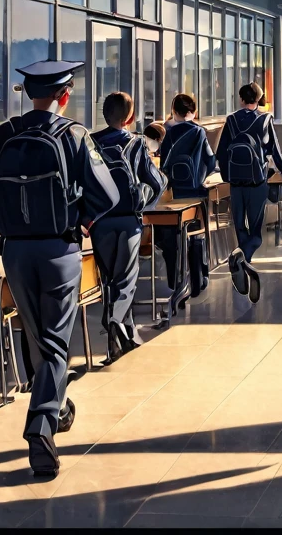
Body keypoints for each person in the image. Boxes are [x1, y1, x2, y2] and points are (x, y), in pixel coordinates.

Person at [0, 60, 119, 477]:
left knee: (37, 335)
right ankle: (42, 424)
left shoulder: (4, 134)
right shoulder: (75, 135)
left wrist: (7, 215)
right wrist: (81, 217)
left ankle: (57, 408)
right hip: (59, 249)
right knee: (54, 342)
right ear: (65, 96)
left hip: (13, 252)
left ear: (30, 94)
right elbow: (109, 195)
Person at [90, 92, 167, 362]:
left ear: (104, 114)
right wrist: (146, 206)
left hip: (100, 221)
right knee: (126, 277)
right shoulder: (135, 144)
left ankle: (126, 335)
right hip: (128, 219)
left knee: (109, 278)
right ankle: (114, 320)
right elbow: (157, 182)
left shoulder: (91, 144)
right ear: (131, 118)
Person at [217, 81, 282, 302]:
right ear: (259, 99)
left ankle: (241, 260)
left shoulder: (231, 120)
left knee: (240, 226)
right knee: (256, 231)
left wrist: (227, 177)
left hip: (236, 183)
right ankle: (242, 258)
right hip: (258, 181)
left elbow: (220, 152)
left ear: (240, 99)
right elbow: (274, 149)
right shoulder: (265, 119)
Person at [156, 93, 216, 309]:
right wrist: (200, 176)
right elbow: (210, 161)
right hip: (195, 192)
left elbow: (163, 164)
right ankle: (198, 280)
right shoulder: (199, 132)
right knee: (195, 235)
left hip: (174, 194)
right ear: (194, 111)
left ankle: (176, 282)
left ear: (174, 111)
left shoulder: (169, 134)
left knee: (173, 239)